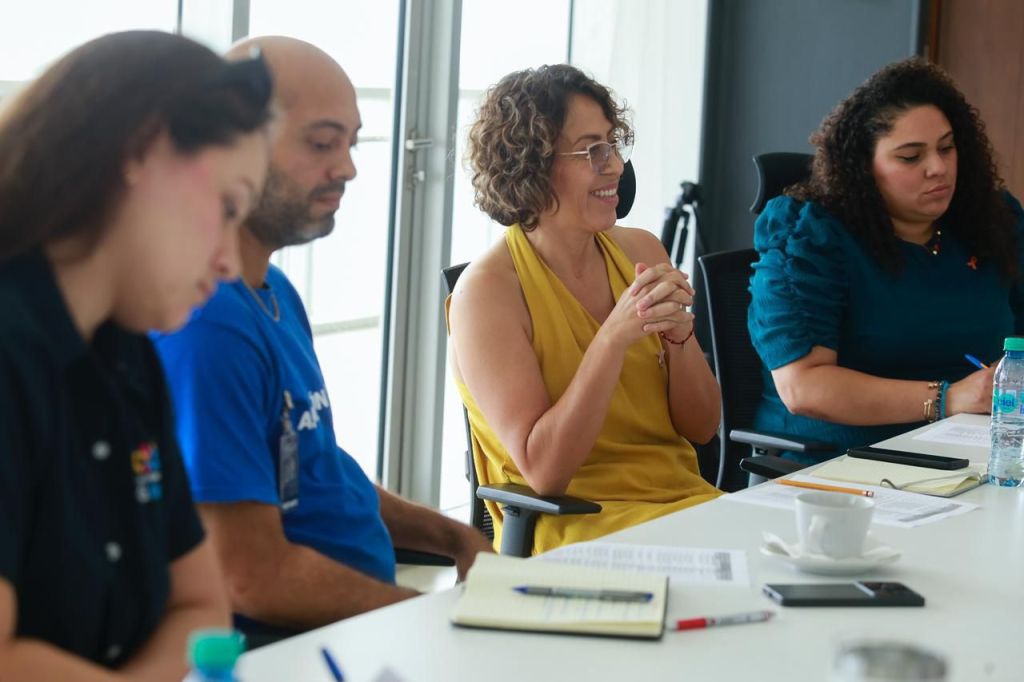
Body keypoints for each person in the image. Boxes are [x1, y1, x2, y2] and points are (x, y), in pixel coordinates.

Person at [154, 36, 492, 639]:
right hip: (284, 648)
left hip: (353, 627)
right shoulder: (209, 325)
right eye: (321, 142)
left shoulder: (275, 291)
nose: (348, 167)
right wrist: (429, 619)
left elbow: (315, 467)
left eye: (352, 142)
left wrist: (454, 537)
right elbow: (250, 576)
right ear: (234, 146)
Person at [0, 31, 272, 681]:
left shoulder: (126, 360)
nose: (232, 261)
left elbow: (202, 606)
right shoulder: (12, 354)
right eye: (228, 208)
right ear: (141, 148)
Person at [449, 64, 722, 555]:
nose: (615, 166)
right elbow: (545, 472)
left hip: (689, 507)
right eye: (592, 150)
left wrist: (680, 340)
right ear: (529, 165)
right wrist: (613, 338)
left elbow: (702, 428)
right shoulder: (485, 293)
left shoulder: (642, 251)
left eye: (614, 145)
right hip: (579, 527)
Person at [748, 58, 1024, 464]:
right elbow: (804, 387)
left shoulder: (990, 219)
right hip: (842, 463)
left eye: (947, 148)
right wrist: (949, 398)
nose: (938, 168)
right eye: (911, 158)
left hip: (976, 449)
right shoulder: (811, 236)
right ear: (862, 168)